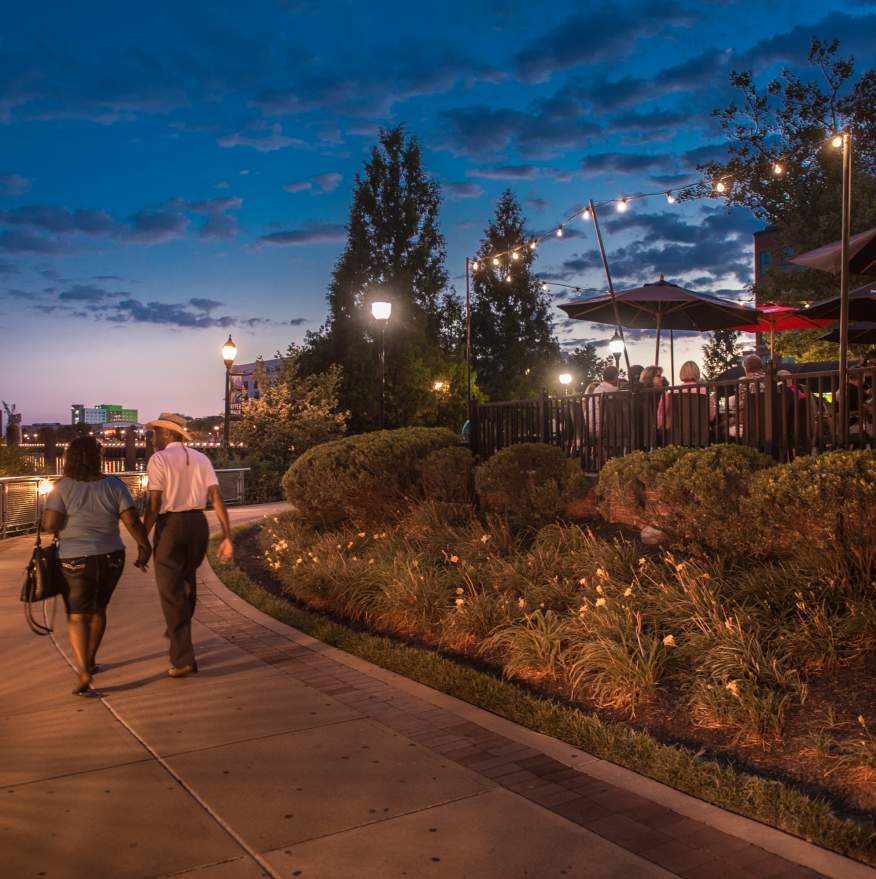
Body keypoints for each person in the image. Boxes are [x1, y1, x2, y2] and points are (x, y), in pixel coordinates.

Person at [41, 436, 151, 696]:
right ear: (96, 458)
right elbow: (132, 522)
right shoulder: (114, 485)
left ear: (69, 458)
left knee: (78, 615)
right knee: (99, 609)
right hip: (111, 557)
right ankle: (90, 658)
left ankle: (83, 671)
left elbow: (50, 525)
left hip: (73, 559)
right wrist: (145, 547)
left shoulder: (62, 487)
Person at [143, 413, 234, 678]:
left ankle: (182, 657)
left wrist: (142, 540)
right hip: (197, 525)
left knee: (171, 592)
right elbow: (216, 497)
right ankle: (178, 627)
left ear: (168, 434)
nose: (152, 439)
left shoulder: (158, 460)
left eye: (155, 433)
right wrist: (228, 536)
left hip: (171, 526)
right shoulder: (201, 458)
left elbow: (154, 505)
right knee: (186, 584)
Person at [657, 361, 716, 431]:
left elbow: (661, 417)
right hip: (700, 433)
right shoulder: (705, 392)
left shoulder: (670, 393)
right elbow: (711, 416)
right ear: (697, 373)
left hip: (676, 434)